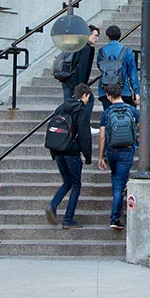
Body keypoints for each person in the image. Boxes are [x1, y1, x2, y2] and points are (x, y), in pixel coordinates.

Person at [44, 83, 93, 229]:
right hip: (71, 151)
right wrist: (88, 156)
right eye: (88, 97)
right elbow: (84, 135)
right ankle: (68, 219)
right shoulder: (81, 110)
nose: (87, 100)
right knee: (76, 184)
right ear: (84, 95)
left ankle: (52, 205)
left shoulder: (62, 107)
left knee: (67, 181)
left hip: (57, 149)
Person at [97, 84, 138, 232]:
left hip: (112, 150)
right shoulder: (132, 110)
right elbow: (139, 127)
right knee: (121, 181)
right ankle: (116, 214)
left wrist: (100, 156)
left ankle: (116, 212)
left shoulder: (107, 113)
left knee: (115, 178)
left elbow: (102, 137)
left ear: (108, 96)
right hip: (127, 150)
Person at [96, 24, 139, 108]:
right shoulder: (127, 51)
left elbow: (99, 66)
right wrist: (136, 91)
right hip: (123, 90)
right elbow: (132, 73)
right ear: (119, 36)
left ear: (107, 36)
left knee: (108, 115)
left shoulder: (101, 51)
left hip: (105, 90)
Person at [67, 24, 100, 108]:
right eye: (95, 35)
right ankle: (83, 120)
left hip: (68, 78)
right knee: (89, 100)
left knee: (69, 104)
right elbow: (83, 67)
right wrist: (82, 86)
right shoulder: (86, 48)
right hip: (76, 81)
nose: (97, 38)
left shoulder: (78, 44)